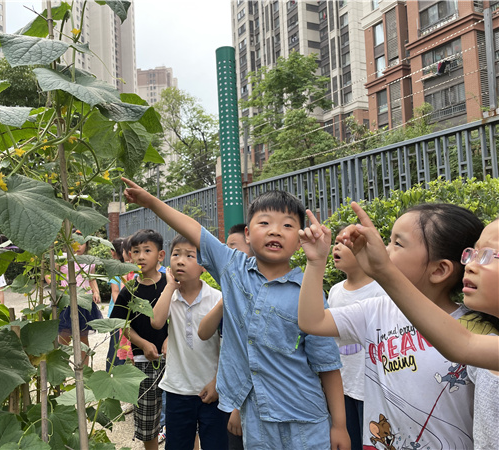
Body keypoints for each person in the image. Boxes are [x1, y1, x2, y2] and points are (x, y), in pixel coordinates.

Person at [121, 177, 350, 450]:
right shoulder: (233, 269)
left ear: (300, 239)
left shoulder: (309, 291)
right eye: (264, 223)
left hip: (305, 420)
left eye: (288, 225)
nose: (275, 231)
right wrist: (151, 202)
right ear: (248, 235)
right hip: (257, 421)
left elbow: (327, 363)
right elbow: (195, 230)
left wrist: (339, 425)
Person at [298, 204, 484, 449]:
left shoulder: (477, 332)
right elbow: (312, 320)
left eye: (397, 244)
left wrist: (382, 270)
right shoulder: (377, 310)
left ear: (440, 270)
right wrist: (315, 262)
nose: (384, 250)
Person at [151, 234, 228, 449]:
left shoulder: (216, 298)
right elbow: (156, 322)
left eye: (190, 256)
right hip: (177, 389)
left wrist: (217, 382)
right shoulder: (170, 297)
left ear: (204, 265)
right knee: (177, 445)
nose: (180, 260)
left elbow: (226, 345)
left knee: (216, 444)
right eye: (176, 254)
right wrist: (169, 287)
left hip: (211, 389)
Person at [327, 226, 386, 450]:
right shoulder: (335, 291)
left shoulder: (380, 291)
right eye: (337, 243)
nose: (337, 247)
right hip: (341, 384)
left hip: (369, 387)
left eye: (345, 243)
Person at [111, 229, 168, 450]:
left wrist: (170, 339)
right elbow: (122, 324)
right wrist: (143, 344)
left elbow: (183, 317)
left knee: (182, 415)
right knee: (147, 418)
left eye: (147, 250)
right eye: (136, 251)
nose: (141, 256)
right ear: (129, 256)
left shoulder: (170, 285)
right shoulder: (129, 291)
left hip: (175, 359)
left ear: (160, 255)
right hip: (143, 361)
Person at [198, 223, 252, 450]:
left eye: (233, 248)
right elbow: (205, 333)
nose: (227, 254)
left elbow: (251, 358)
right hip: (231, 397)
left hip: (247, 403)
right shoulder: (228, 297)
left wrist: (239, 408)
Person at [45, 231, 102, 366]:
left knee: (83, 338)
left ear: (87, 245)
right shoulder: (62, 258)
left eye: (82, 243)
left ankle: (84, 370)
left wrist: (96, 292)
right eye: (75, 242)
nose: (79, 246)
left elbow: (91, 278)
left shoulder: (90, 261)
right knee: (63, 339)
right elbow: (49, 276)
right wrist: (58, 288)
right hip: (66, 302)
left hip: (85, 302)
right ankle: (62, 372)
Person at [106, 237, 127, 371]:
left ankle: (112, 371)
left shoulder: (116, 268)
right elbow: (116, 292)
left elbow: (115, 292)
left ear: (113, 252)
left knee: (116, 344)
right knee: (118, 344)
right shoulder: (125, 268)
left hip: (117, 313)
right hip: (121, 313)